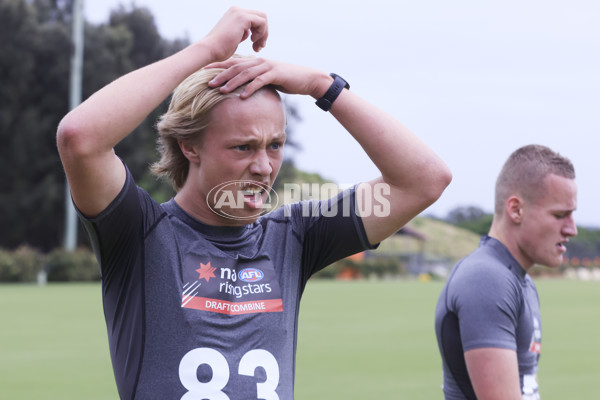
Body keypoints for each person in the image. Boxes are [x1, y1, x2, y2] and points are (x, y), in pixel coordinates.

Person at [57, 6, 451, 399]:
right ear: (189, 146)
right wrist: (208, 50)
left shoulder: (294, 237)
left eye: (275, 145)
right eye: (243, 147)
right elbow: (80, 137)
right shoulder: (139, 234)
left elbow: (424, 181)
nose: (264, 167)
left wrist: (321, 86)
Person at [434, 144, 578, 400]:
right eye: (559, 215)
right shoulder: (487, 279)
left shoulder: (519, 281)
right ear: (516, 210)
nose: (572, 229)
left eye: (572, 216)